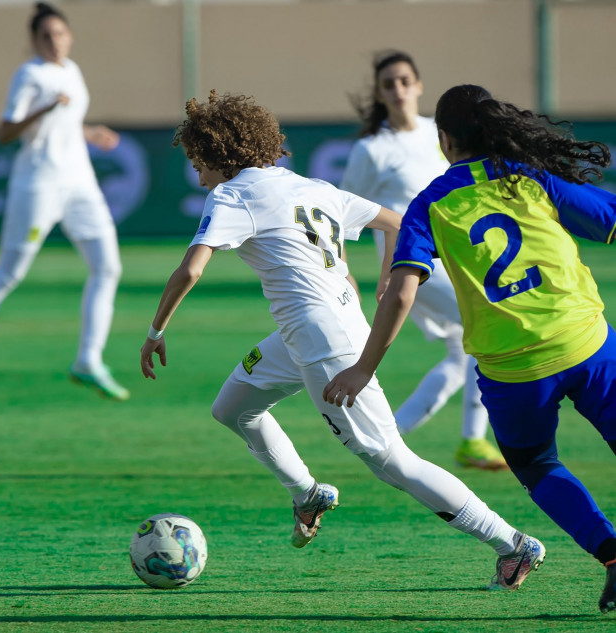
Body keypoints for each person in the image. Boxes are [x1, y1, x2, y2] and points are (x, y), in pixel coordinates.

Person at [140, 90, 545, 589]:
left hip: (324, 342)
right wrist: (382, 277)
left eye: (197, 161)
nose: (198, 174)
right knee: (232, 408)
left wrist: (156, 331)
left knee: (392, 461)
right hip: (309, 332)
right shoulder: (311, 186)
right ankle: (307, 493)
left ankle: (513, 544)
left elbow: (191, 269)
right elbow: (394, 221)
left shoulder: (232, 195)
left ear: (215, 153)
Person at [324, 84, 616, 613]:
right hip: (587, 344)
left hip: (513, 371)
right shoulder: (529, 177)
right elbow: (609, 221)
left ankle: (613, 556)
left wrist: (364, 368)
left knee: (538, 466)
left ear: (444, 140)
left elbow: (401, 291)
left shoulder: (431, 202)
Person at [0, 1, 128, 402]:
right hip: (39, 186)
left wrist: (90, 131)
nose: (55, 41)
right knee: (10, 273)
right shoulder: (29, 74)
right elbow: (6, 131)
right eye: (46, 36)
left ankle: (88, 359)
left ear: (70, 36)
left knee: (108, 267)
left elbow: (65, 124)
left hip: (81, 184)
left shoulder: (73, 71)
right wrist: (44, 107)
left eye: (60, 33)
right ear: (34, 40)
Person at [341, 51, 506, 470]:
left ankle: (388, 437)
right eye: (388, 84)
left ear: (418, 85)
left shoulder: (439, 134)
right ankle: (470, 440)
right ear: (380, 94)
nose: (397, 89)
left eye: (403, 81)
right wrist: (344, 272)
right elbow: (340, 214)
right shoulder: (372, 149)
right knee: (486, 322)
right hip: (410, 265)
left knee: (460, 353)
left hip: (453, 255)